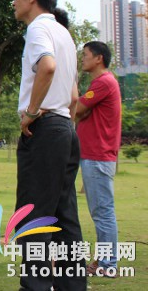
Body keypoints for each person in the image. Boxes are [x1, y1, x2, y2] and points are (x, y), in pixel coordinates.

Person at [13, 0, 86, 290]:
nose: (13, 1)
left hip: (45, 131)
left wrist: (31, 112)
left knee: (34, 219)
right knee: (65, 217)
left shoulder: (39, 27)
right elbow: (73, 95)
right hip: (65, 131)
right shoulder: (64, 34)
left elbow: (48, 67)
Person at [76, 41, 121, 277]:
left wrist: (80, 107)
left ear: (99, 58)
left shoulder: (103, 82)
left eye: (85, 55)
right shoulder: (102, 82)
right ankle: (103, 261)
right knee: (102, 211)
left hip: (97, 156)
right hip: (95, 156)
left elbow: (77, 109)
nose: (82, 59)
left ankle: (107, 264)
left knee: (103, 212)